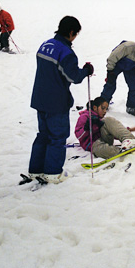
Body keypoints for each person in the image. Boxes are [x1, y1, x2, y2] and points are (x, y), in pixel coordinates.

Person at [27, 16, 93, 184]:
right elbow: (73, 76)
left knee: (43, 134)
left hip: (40, 98)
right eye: (76, 34)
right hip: (56, 102)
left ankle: (36, 169)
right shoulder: (66, 52)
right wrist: (86, 71)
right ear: (71, 32)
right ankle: (53, 172)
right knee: (57, 136)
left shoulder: (46, 44)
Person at [100, 41, 135, 117]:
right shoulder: (127, 48)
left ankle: (131, 107)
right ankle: (103, 104)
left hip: (130, 67)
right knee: (111, 84)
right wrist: (110, 71)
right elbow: (112, 58)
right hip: (117, 63)